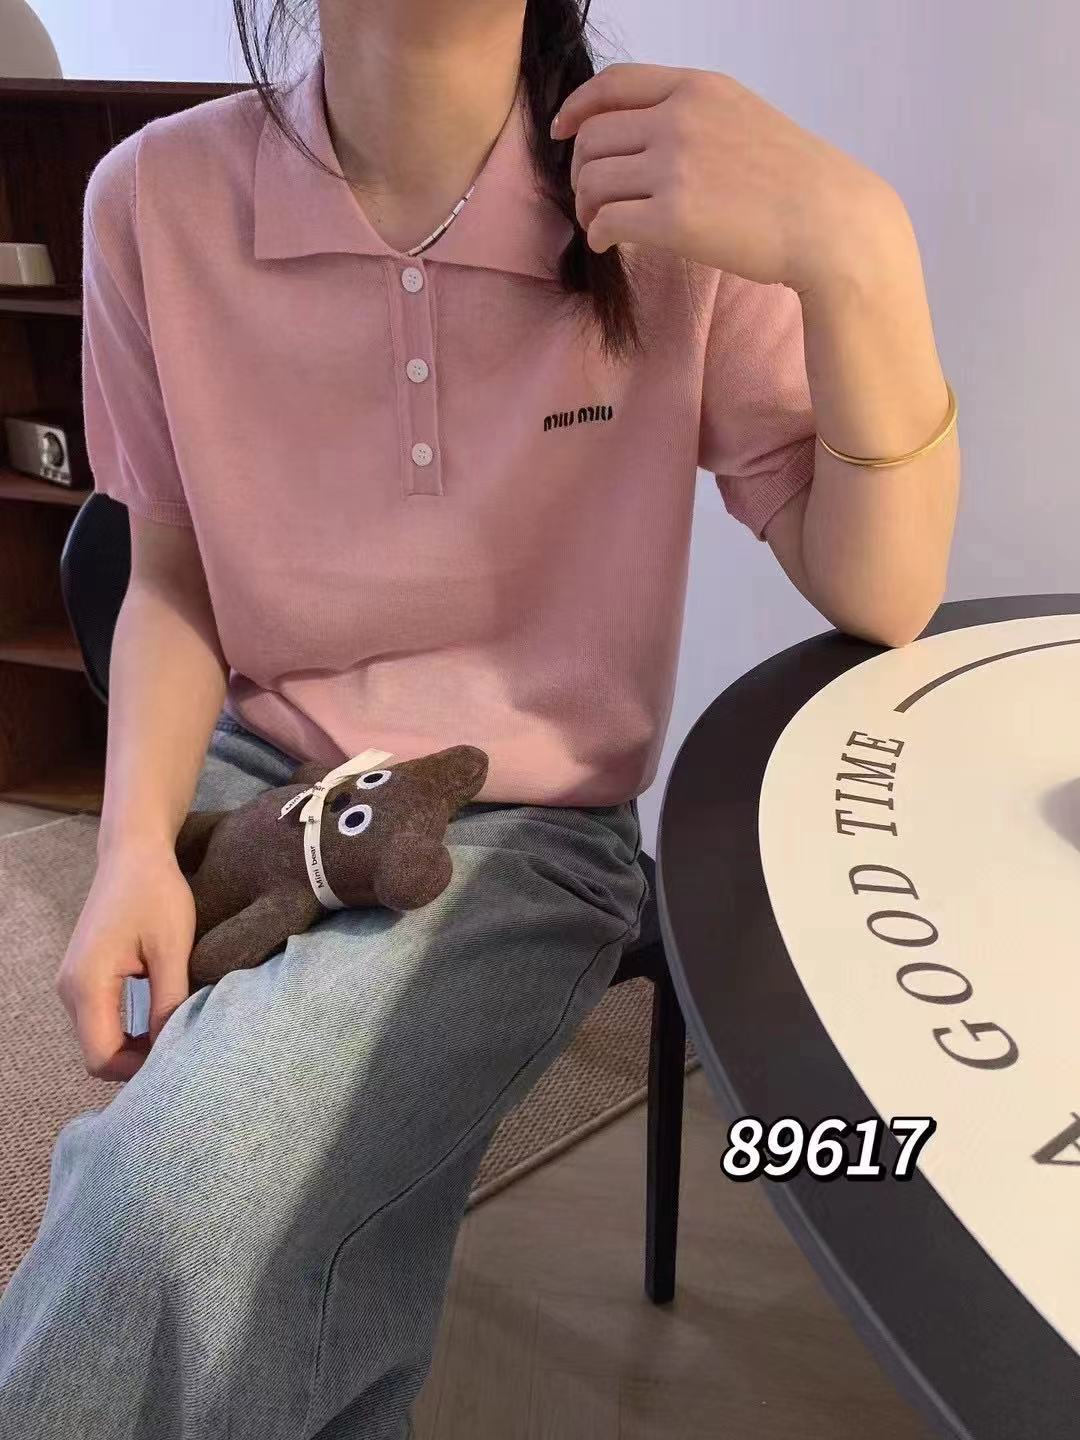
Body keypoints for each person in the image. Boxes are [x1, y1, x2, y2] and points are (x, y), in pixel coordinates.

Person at [0, 0, 960, 1435]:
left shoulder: (668, 187)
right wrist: (131, 843)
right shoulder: (153, 196)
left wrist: (859, 243)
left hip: (522, 831)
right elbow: (170, 576)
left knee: (179, 1198)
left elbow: (881, 591)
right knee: (237, 1237)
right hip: (258, 784)